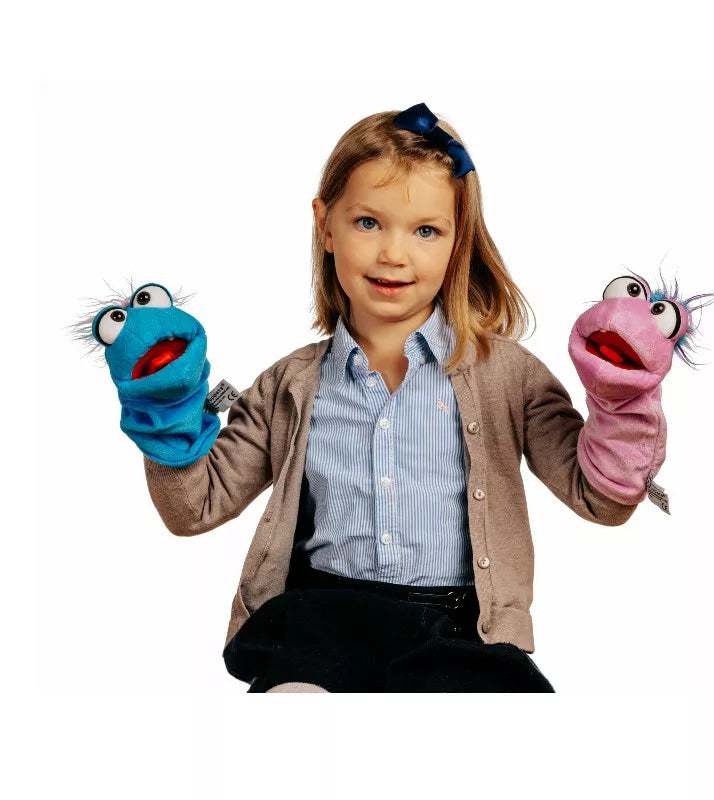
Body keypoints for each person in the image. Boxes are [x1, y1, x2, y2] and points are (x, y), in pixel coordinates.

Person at [139, 102, 666, 693]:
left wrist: (624, 398)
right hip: (320, 621)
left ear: (456, 238)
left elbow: (602, 500)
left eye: (425, 231)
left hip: (458, 630)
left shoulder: (508, 376)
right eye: (368, 222)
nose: (394, 253)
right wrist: (166, 405)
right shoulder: (289, 385)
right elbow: (194, 508)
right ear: (325, 223)